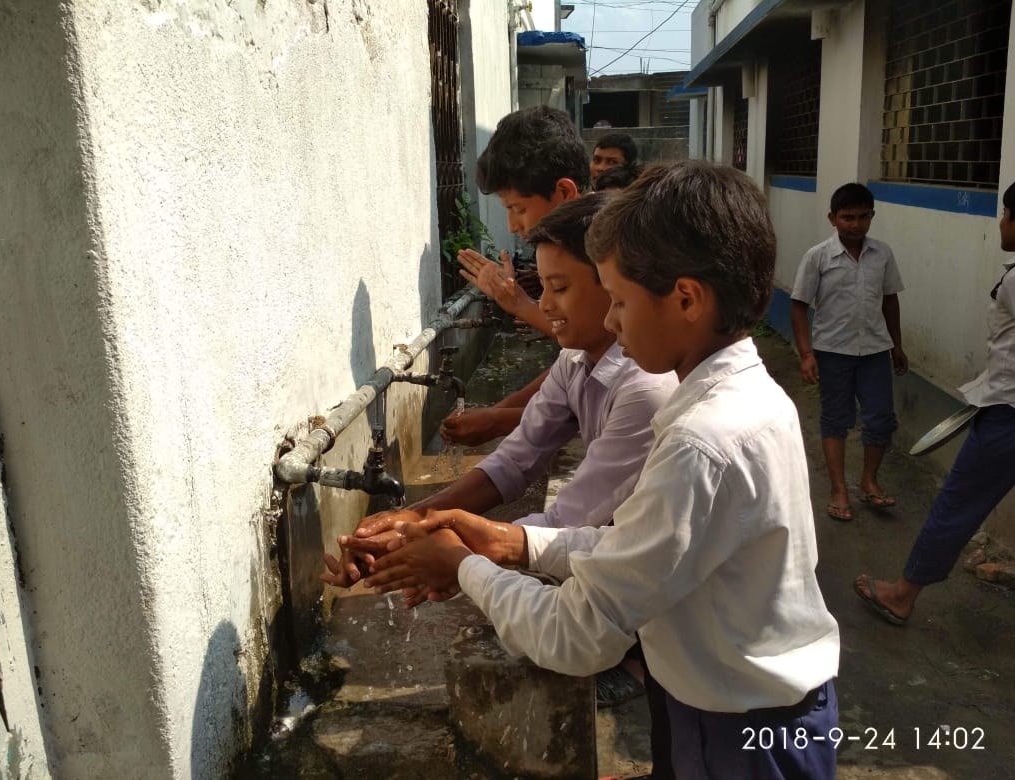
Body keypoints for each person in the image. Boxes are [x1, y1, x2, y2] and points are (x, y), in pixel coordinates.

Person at [362, 162, 841, 779]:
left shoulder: (699, 440)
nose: (612, 322)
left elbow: (579, 633)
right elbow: (637, 546)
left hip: (741, 728)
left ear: (687, 299)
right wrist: (509, 542)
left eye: (619, 301)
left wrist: (462, 566)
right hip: (726, 697)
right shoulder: (742, 396)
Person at [327, 194, 677, 707]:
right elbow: (515, 460)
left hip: (661, 591)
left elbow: (568, 522)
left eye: (559, 288)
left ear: (612, 287)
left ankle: (635, 659)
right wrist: (411, 523)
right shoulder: (575, 360)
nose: (545, 307)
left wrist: (454, 558)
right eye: (544, 287)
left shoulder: (646, 387)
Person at [854, 181, 1015, 627]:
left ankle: (901, 596)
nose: (1001, 224)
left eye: (1006, 215)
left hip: (1007, 416)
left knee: (957, 503)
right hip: (1001, 404)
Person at [445, 105, 590, 446]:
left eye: (518, 209)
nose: (512, 225)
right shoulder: (573, 244)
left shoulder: (606, 254)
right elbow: (575, 365)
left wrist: (498, 419)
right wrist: (498, 413)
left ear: (564, 192)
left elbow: (592, 356)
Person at [791, 183, 908, 522]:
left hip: (875, 350)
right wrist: (806, 354)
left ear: (872, 216)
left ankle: (869, 481)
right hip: (832, 352)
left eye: (863, 217)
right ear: (832, 218)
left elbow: (890, 300)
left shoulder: (882, 254)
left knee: (881, 419)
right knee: (836, 418)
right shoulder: (818, 257)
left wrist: (897, 345)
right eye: (848, 217)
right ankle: (839, 489)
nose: (856, 224)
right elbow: (798, 306)